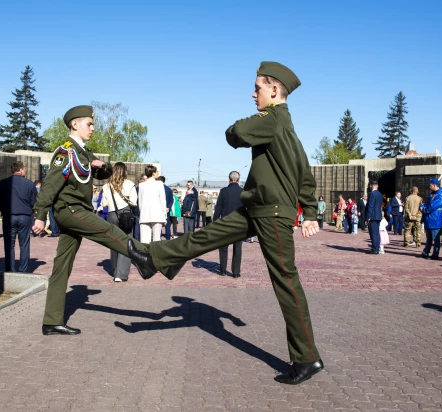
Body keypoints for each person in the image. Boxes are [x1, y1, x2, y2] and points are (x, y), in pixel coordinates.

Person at [127, 62, 323, 384]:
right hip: (258, 208)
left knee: (287, 282)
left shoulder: (273, 118)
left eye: (257, 88)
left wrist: (309, 213)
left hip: (271, 211)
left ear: (274, 91)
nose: (253, 93)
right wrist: (311, 212)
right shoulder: (287, 127)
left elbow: (237, 132)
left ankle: (307, 358)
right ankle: (155, 258)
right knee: (208, 236)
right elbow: (304, 172)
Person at [32, 105, 150, 336]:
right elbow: (51, 184)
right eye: (89, 123)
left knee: (61, 267)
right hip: (71, 210)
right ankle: (146, 257)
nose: (93, 128)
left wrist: (101, 165)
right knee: (107, 231)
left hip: (76, 210)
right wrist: (39, 214)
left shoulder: (84, 152)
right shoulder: (66, 151)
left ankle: (51, 321)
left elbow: (104, 175)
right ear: (75, 124)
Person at [0, 161, 38, 273]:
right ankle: (24, 269)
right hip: (25, 215)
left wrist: (4, 209)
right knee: (24, 244)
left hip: (9, 215)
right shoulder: (29, 184)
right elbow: (34, 202)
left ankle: (10, 269)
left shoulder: (4, 183)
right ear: (21, 169)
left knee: (9, 244)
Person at [100, 162, 138, 282]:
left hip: (112, 214)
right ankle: (120, 274)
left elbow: (104, 203)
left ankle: (115, 268)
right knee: (126, 242)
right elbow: (134, 202)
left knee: (114, 242)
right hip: (125, 214)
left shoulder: (107, 186)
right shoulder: (129, 184)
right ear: (124, 171)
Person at [214, 171, 243, 278]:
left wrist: (215, 221)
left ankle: (222, 270)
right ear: (239, 180)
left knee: (223, 247)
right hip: (239, 223)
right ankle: (235, 272)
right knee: (237, 248)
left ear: (228, 179)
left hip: (225, 223)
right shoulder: (242, 192)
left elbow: (218, 208)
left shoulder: (223, 191)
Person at [138, 165, 167, 243]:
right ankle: (155, 254)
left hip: (144, 215)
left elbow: (140, 202)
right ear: (153, 173)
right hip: (157, 215)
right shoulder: (160, 184)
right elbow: (162, 201)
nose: (157, 173)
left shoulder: (141, 185)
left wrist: (142, 213)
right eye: (156, 172)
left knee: (144, 241)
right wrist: (164, 216)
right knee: (156, 240)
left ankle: (145, 254)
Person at [420, 178, 442, 260]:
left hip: (435, 220)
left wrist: (423, 209)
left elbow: (432, 207)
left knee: (436, 239)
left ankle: (435, 254)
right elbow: (425, 203)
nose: (429, 186)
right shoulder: (431, 195)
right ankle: (426, 252)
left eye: (430, 185)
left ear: (435, 185)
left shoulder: (440, 196)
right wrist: (422, 206)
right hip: (429, 219)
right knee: (429, 238)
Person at [366, 181, 383, 254]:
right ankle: (377, 247)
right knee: (376, 233)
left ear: (371, 186)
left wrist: (368, 216)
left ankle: (374, 248)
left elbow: (370, 206)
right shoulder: (380, 194)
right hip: (378, 215)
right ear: (377, 186)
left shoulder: (372, 194)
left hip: (372, 216)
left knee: (373, 233)